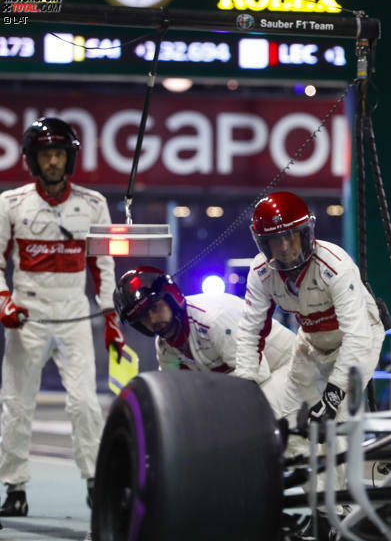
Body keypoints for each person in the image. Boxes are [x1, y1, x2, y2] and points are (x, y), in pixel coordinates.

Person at [0, 117, 124, 516]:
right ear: (33, 160)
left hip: (74, 314)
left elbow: (104, 263)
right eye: (44, 154)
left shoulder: (93, 204)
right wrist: (4, 302)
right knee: (17, 404)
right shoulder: (10, 204)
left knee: (86, 403)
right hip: (27, 315)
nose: (52, 161)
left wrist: (109, 315)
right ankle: (15, 487)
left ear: (69, 158)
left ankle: (94, 481)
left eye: (58, 154)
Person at [234, 191, 385, 430]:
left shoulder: (335, 266)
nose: (285, 247)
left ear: (305, 233)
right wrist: (244, 383)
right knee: (278, 414)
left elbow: (357, 336)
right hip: (311, 341)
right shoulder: (261, 272)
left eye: (291, 236)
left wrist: (333, 396)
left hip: (359, 339)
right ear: (263, 243)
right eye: (275, 239)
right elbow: (250, 332)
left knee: (336, 427)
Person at [112, 266, 295, 418]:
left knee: (260, 417)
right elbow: (173, 393)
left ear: (171, 297)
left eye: (155, 307)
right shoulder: (166, 347)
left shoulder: (213, 320)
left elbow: (256, 376)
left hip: (288, 367)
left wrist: (205, 399)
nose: (152, 319)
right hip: (258, 381)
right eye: (143, 317)